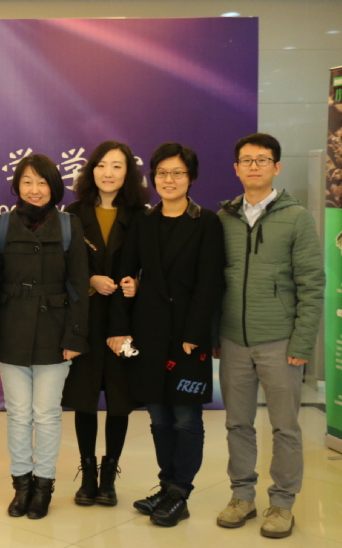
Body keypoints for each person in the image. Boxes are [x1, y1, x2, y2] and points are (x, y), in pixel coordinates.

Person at [215, 133, 325, 539]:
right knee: (237, 423)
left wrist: (302, 342)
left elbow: (312, 284)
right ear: (236, 168)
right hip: (233, 340)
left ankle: (282, 502)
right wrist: (215, 335)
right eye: (246, 160)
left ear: (277, 167)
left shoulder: (297, 218)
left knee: (285, 427)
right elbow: (214, 282)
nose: (254, 166)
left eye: (262, 160)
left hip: (280, 341)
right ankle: (242, 496)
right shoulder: (224, 218)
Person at [111, 142, 225, 528]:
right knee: (159, 418)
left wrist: (196, 333)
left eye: (177, 173)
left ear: (191, 178)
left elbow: (210, 283)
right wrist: (122, 327)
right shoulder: (144, 222)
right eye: (162, 173)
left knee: (186, 419)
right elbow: (125, 275)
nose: (169, 180)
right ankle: (166, 485)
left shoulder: (206, 222)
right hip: (149, 335)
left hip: (188, 339)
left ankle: (180, 492)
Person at [0, 154, 89, 520]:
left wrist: (75, 337)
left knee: (46, 414)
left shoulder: (68, 226)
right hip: (11, 330)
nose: (35, 189)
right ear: (17, 186)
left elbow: (79, 285)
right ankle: (21, 485)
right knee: (17, 414)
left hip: (55, 332)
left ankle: (43, 486)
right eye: (27, 182)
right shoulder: (1, 225)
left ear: (54, 187)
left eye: (42, 182)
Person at [62, 141, 148, 507]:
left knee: (119, 399)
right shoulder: (73, 213)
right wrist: (89, 281)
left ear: (128, 173)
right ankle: (88, 474)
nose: (108, 173)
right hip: (84, 321)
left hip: (125, 322)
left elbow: (154, 267)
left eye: (117, 166)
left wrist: (138, 285)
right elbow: (60, 267)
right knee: (84, 398)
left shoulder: (142, 215)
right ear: (91, 170)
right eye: (101, 165)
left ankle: (109, 476)